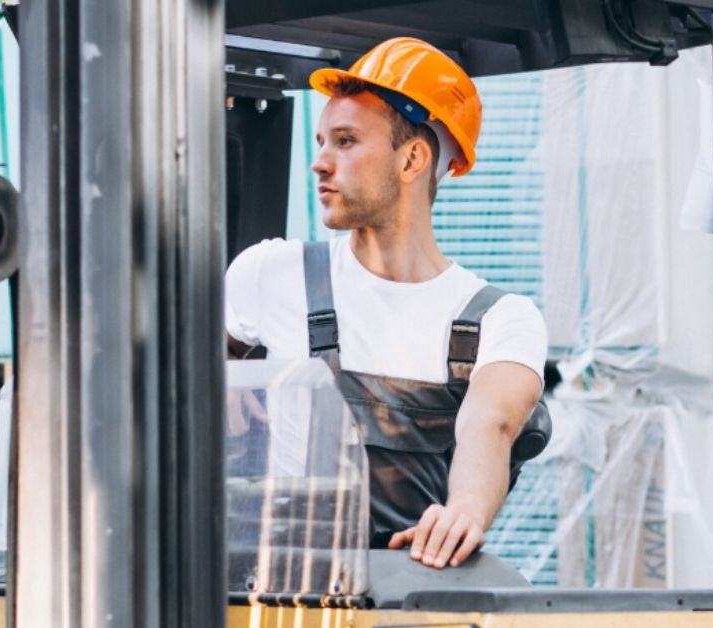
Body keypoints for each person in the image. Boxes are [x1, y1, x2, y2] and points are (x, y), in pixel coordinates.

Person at [225, 37, 547, 570]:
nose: (320, 163)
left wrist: (463, 511)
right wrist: (216, 378)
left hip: (409, 588)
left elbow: (491, 424)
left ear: (413, 158)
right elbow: (173, 378)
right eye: (322, 140)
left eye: (346, 141)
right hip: (279, 588)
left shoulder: (499, 320)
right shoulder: (270, 273)